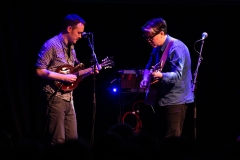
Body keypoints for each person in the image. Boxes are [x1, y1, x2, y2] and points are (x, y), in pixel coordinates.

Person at [35, 14, 99, 146]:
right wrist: (63, 77)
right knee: (58, 141)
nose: (80, 36)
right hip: (54, 98)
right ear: (69, 28)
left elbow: (74, 76)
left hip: (69, 98)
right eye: (79, 32)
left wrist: (90, 71)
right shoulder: (51, 45)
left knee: (73, 141)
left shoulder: (72, 49)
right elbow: (39, 70)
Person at [139, 17, 194, 142]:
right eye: (146, 37)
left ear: (162, 33)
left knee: (171, 142)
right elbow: (149, 65)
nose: (148, 40)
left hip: (175, 102)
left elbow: (177, 75)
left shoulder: (176, 48)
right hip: (161, 100)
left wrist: (161, 76)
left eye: (150, 37)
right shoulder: (157, 47)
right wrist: (145, 78)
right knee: (159, 139)